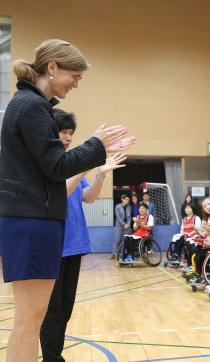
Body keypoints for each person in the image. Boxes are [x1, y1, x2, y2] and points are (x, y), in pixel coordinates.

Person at [0, 38, 133, 361]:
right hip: (31, 222)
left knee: (31, 320)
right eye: (75, 75)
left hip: (34, 221)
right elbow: (57, 166)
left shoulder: (33, 106)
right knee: (28, 321)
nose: (76, 83)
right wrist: (95, 145)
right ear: (52, 67)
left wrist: (94, 151)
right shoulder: (32, 106)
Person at [40, 109, 126, 361]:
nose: (67, 138)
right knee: (53, 308)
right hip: (53, 245)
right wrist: (86, 163)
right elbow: (61, 193)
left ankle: (54, 355)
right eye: (62, 132)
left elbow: (89, 197)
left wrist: (99, 175)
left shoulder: (72, 163)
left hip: (74, 244)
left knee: (65, 308)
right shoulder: (50, 165)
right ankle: (51, 357)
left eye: (70, 133)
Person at [113, 194, 132, 260]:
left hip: (127, 227)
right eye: (126, 199)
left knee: (124, 241)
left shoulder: (129, 207)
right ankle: (114, 255)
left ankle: (122, 254)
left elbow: (129, 217)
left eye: (128, 200)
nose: (127, 201)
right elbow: (118, 217)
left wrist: (128, 224)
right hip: (119, 225)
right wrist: (124, 224)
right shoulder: (117, 206)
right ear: (122, 199)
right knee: (117, 240)